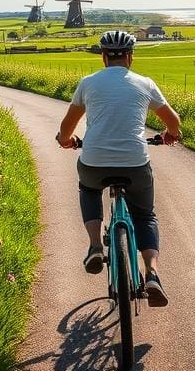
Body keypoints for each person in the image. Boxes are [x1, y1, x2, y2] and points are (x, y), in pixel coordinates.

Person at [56, 29, 181, 307]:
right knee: (145, 215)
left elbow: (67, 125)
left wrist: (66, 141)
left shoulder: (88, 83)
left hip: (94, 161)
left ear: (103, 57)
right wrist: (170, 134)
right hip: (135, 163)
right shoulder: (145, 83)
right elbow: (173, 120)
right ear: (130, 57)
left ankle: (95, 247)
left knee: (88, 189)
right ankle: (152, 274)